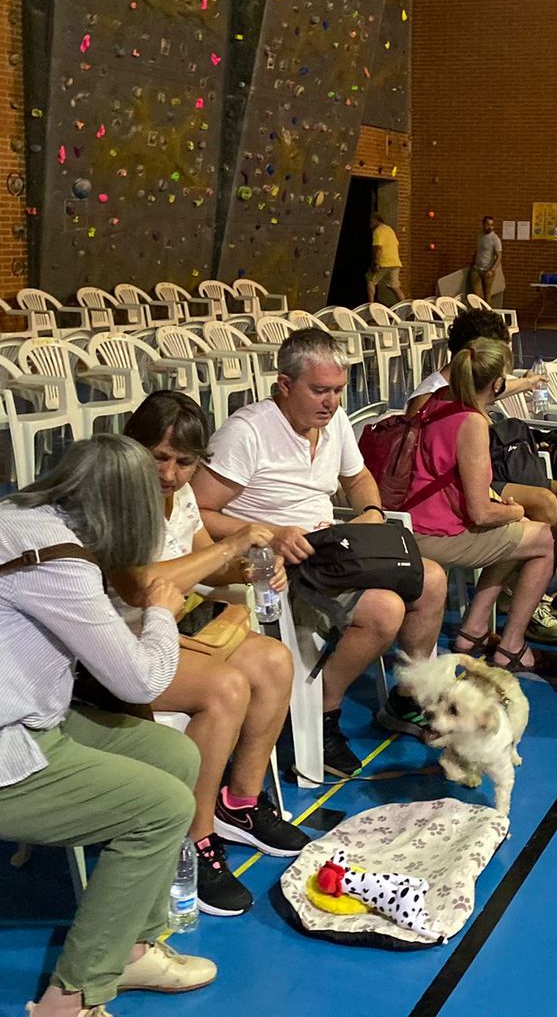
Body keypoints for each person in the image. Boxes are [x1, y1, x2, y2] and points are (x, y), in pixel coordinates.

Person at [0, 436, 217, 1017]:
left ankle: (130, 948)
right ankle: (72, 999)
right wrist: (163, 605)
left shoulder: (24, 517)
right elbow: (142, 682)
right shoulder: (56, 564)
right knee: (161, 806)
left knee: (175, 757)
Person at [191, 328, 448, 777]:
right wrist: (267, 533)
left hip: (333, 550)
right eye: (319, 390)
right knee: (384, 610)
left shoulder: (333, 425)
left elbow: (359, 478)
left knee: (433, 580)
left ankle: (406, 700)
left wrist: (369, 509)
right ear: (284, 385)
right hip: (277, 566)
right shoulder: (248, 432)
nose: (330, 402)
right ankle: (321, 715)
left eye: (337, 391)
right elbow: (200, 510)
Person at [117, 391, 307, 918]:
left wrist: (248, 568)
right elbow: (140, 588)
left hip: (172, 627)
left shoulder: (178, 500)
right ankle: (194, 840)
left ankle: (239, 804)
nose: (172, 474)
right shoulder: (118, 497)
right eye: (160, 457)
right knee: (226, 689)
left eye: (185, 462)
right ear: (135, 447)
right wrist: (228, 548)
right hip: (117, 643)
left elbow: (205, 563)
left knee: (272, 660)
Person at [406, 308, 557, 642]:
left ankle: (480, 623)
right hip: (435, 519)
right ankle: (513, 633)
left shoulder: (450, 397)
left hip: (441, 502)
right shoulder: (461, 415)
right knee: (540, 525)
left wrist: (527, 383)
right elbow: (477, 508)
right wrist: (512, 510)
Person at [368, 211, 403, 304]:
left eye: (371, 221)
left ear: (376, 220)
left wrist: (376, 263)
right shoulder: (389, 229)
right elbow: (397, 245)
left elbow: (378, 248)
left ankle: (371, 305)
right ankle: (406, 306)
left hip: (384, 262)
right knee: (394, 286)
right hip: (395, 262)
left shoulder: (378, 231)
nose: (370, 224)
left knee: (370, 280)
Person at [470, 215, 502, 301]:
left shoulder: (495, 239)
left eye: (492, 225)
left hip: (488, 269)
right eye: (488, 224)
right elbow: (478, 251)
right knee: (476, 293)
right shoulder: (480, 236)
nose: (490, 227)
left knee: (487, 293)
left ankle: (487, 312)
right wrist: (472, 263)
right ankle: (478, 311)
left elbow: (499, 256)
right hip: (476, 268)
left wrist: (492, 270)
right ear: (483, 224)